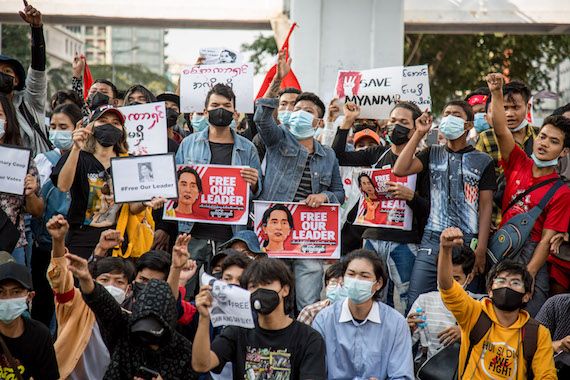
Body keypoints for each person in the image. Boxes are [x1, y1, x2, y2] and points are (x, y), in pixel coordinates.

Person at [254, 50, 344, 310]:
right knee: (273, 300)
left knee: (307, 301)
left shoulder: (328, 155)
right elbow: (261, 117)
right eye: (297, 109)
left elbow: (339, 192)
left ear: (317, 121)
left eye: (307, 110)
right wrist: (276, 81)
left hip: (310, 240)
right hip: (277, 235)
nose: (298, 113)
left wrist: (324, 197)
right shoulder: (278, 139)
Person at [393, 100, 496, 309]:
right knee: (417, 303)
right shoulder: (432, 153)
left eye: (456, 114)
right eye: (446, 113)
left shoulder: (483, 160)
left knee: (462, 303)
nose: (449, 117)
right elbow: (400, 169)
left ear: (467, 125)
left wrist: (481, 248)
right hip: (433, 238)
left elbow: (486, 207)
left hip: (467, 239)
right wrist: (419, 133)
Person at [333, 101, 430, 313]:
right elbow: (338, 156)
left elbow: (428, 208)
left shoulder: (423, 160)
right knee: (372, 298)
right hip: (372, 238)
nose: (397, 126)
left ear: (416, 128)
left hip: (404, 243)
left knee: (407, 300)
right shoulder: (377, 153)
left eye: (404, 122)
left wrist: (411, 197)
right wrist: (348, 120)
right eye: (393, 120)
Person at [487, 73, 570, 315]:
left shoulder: (562, 191)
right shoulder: (517, 162)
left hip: (531, 257)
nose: (543, 143)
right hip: (502, 252)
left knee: (529, 321)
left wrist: (528, 277)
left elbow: (546, 241)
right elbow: (501, 130)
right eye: (542, 136)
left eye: (553, 141)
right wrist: (495, 92)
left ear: (564, 152)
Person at [175, 83, 261, 296]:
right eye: (215, 105)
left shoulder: (247, 148)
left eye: (226, 105)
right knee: (188, 289)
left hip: (231, 234)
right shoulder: (188, 144)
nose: (220, 109)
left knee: (227, 292)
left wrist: (255, 182)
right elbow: (174, 186)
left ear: (235, 112)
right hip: (193, 232)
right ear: (205, 111)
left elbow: (259, 192)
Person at [437, 227, 557, 379]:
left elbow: (547, 376)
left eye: (515, 282)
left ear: (526, 295)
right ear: (490, 291)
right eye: (500, 281)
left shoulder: (538, 334)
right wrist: (445, 249)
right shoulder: (475, 313)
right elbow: (448, 287)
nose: (506, 286)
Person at [192, 257, 327, 379]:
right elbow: (201, 365)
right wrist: (204, 318)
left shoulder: (308, 338)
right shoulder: (237, 332)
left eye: (267, 283)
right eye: (253, 286)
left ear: (285, 290)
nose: (260, 290)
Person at [51, 104, 150, 259]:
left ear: (122, 131)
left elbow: (133, 207)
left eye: (115, 123)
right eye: (103, 121)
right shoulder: (78, 156)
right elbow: (63, 186)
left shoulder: (128, 161)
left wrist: (145, 202)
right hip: (81, 237)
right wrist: (76, 149)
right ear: (90, 126)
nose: (109, 126)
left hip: (117, 237)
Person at [46, 214, 135, 379]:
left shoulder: (130, 318)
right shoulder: (77, 303)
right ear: (93, 282)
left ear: (128, 289)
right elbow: (60, 279)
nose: (111, 287)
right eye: (105, 280)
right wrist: (58, 241)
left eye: (119, 282)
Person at [312, 249, 414, 379]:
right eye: (351, 274)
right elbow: (315, 373)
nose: (356, 280)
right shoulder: (324, 320)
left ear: (378, 283)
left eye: (364, 276)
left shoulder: (396, 323)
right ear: (343, 279)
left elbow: (402, 375)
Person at [407, 244, 475, 359]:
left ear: (469, 278)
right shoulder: (424, 302)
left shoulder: (478, 304)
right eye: (444, 276)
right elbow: (404, 343)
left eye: (456, 279)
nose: (449, 284)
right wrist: (407, 330)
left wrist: (465, 333)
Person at [0, 2, 51, 156]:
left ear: (16, 80)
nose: (1, 74)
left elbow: (37, 71)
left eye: (7, 71)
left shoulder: (29, 103)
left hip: (34, 174)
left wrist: (36, 29)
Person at [0, 252, 59, 379]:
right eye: (1, 292)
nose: (7, 298)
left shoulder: (40, 335)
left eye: (16, 292)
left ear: (30, 296)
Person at [0, 93, 43, 265]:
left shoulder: (21, 159)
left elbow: (37, 211)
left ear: (8, 120)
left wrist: (31, 194)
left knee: (16, 291)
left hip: (11, 243)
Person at [297, 261, 345, 325]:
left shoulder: (360, 314)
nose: (338, 288)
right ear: (326, 285)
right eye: (334, 283)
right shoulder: (310, 312)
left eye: (343, 284)